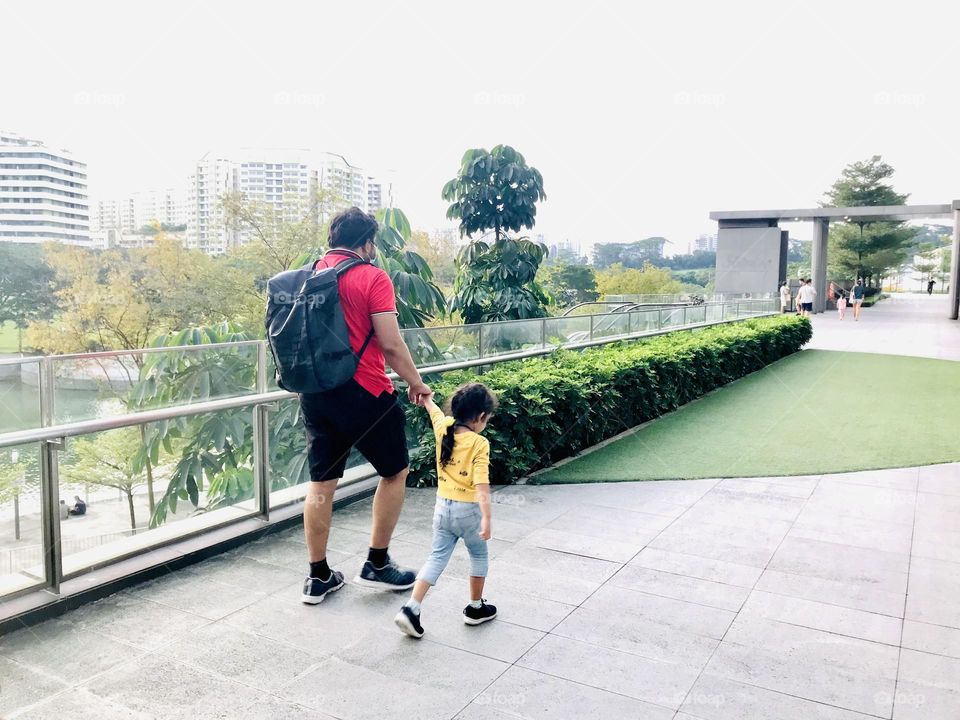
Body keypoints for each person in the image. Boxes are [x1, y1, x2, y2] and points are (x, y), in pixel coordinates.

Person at [299, 207, 432, 605]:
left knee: (322, 482)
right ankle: (376, 562)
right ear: (366, 243)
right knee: (395, 472)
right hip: (365, 391)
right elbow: (391, 344)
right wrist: (416, 383)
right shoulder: (372, 277)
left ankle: (318, 576)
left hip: (315, 393)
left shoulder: (307, 276)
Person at [394, 383, 498, 638]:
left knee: (436, 557)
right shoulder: (479, 443)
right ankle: (475, 609)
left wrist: (427, 399)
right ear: (481, 417)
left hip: (442, 508)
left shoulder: (444, 428)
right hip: (468, 511)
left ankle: (411, 607)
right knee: (479, 556)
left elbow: (434, 413)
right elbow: (481, 483)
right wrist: (486, 517)